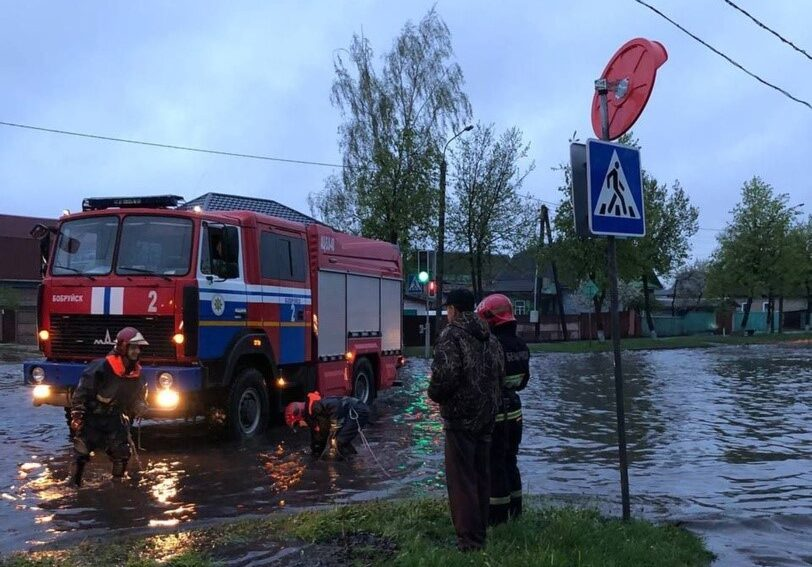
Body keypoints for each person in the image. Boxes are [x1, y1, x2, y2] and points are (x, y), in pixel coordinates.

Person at [428, 288, 504, 552]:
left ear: (453, 309)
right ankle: (480, 531)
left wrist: (434, 394)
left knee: (462, 481)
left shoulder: (451, 336)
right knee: (481, 476)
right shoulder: (489, 336)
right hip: (487, 417)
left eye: (448, 309)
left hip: (461, 419)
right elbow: (500, 372)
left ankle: (470, 541)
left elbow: (445, 375)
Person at [69, 327, 149, 487]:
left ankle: (117, 486)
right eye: (133, 347)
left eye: (138, 348)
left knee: (121, 453)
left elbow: (138, 396)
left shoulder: (137, 373)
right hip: (93, 418)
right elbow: (82, 390)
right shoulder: (101, 366)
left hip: (114, 418)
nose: (137, 351)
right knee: (81, 452)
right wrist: (77, 414)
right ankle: (73, 486)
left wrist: (140, 406)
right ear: (123, 347)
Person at [476, 294, 531, 524]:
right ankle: (515, 511)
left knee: (494, 465)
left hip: (495, 413)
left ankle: (497, 518)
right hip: (515, 412)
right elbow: (524, 381)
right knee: (510, 461)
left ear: (491, 319)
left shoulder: (491, 345)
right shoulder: (520, 345)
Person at [284, 392, 369, 459]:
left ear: (301, 415)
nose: (301, 426)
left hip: (357, 410)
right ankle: (353, 458)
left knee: (337, 443)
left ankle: (348, 466)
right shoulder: (313, 418)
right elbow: (319, 438)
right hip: (354, 411)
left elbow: (336, 405)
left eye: (298, 423)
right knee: (337, 442)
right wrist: (315, 452)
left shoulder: (316, 406)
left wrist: (335, 426)